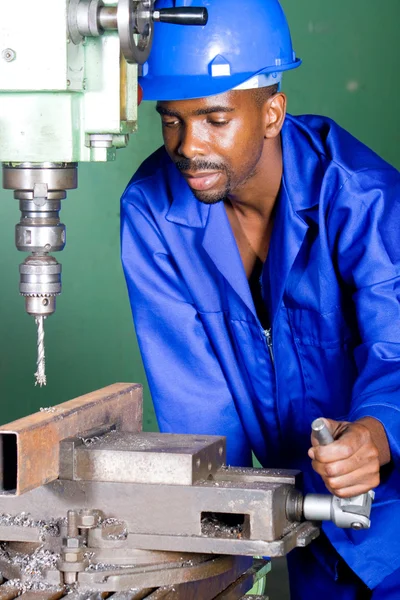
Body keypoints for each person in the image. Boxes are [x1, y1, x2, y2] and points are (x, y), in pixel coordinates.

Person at [120, 0, 400, 597]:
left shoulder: (360, 198)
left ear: (271, 112)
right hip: (304, 527)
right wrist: (217, 547)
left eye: (215, 118)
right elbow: (197, 410)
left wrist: (377, 433)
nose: (188, 145)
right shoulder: (152, 212)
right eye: (172, 120)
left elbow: (396, 348)